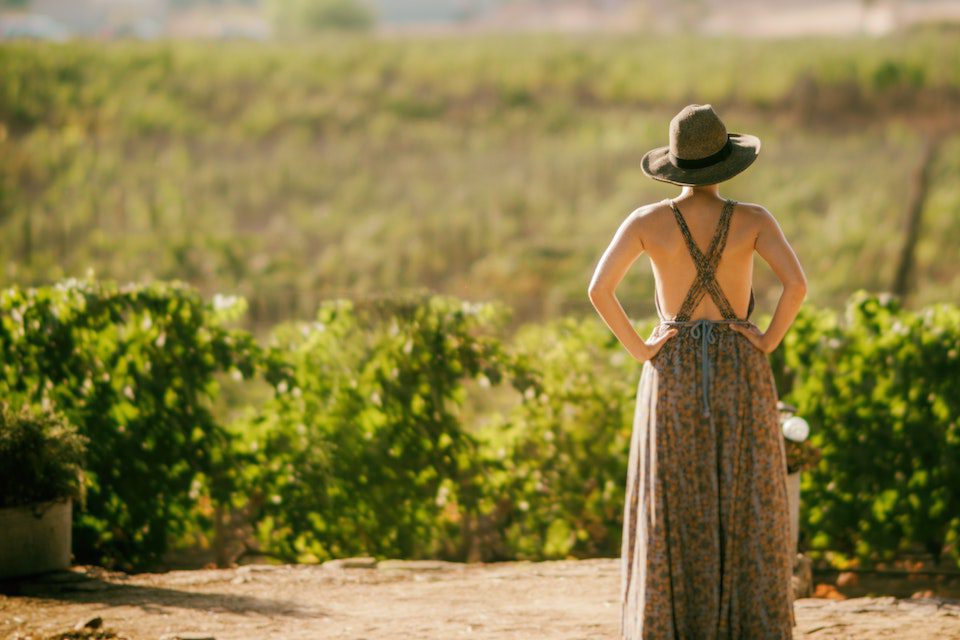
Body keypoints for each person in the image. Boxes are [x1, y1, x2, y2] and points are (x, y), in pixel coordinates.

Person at [587, 104, 807, 639]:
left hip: (673, 366)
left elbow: (598, 290)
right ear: (726, 162)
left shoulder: (646, 221)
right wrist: (768, 339)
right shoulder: (754, 220)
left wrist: (642, 349)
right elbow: (796, 286)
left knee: (672, 496)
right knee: (747, 493)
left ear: (675, 164)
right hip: (740, 362)